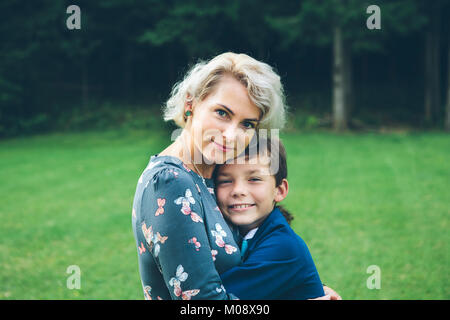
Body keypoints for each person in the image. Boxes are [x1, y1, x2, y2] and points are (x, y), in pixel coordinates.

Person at [131, 52, 288, 300]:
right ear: (191, 104)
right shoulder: (170, 183)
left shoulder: (217, 173)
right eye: (222, 113)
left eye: (247, 124)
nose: (231, 135)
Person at [215, 136, 328, 299]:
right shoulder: (240, 232)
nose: (238, 190)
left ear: (279, 190)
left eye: (254, 179)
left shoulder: (283, 247)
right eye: (225, 181)